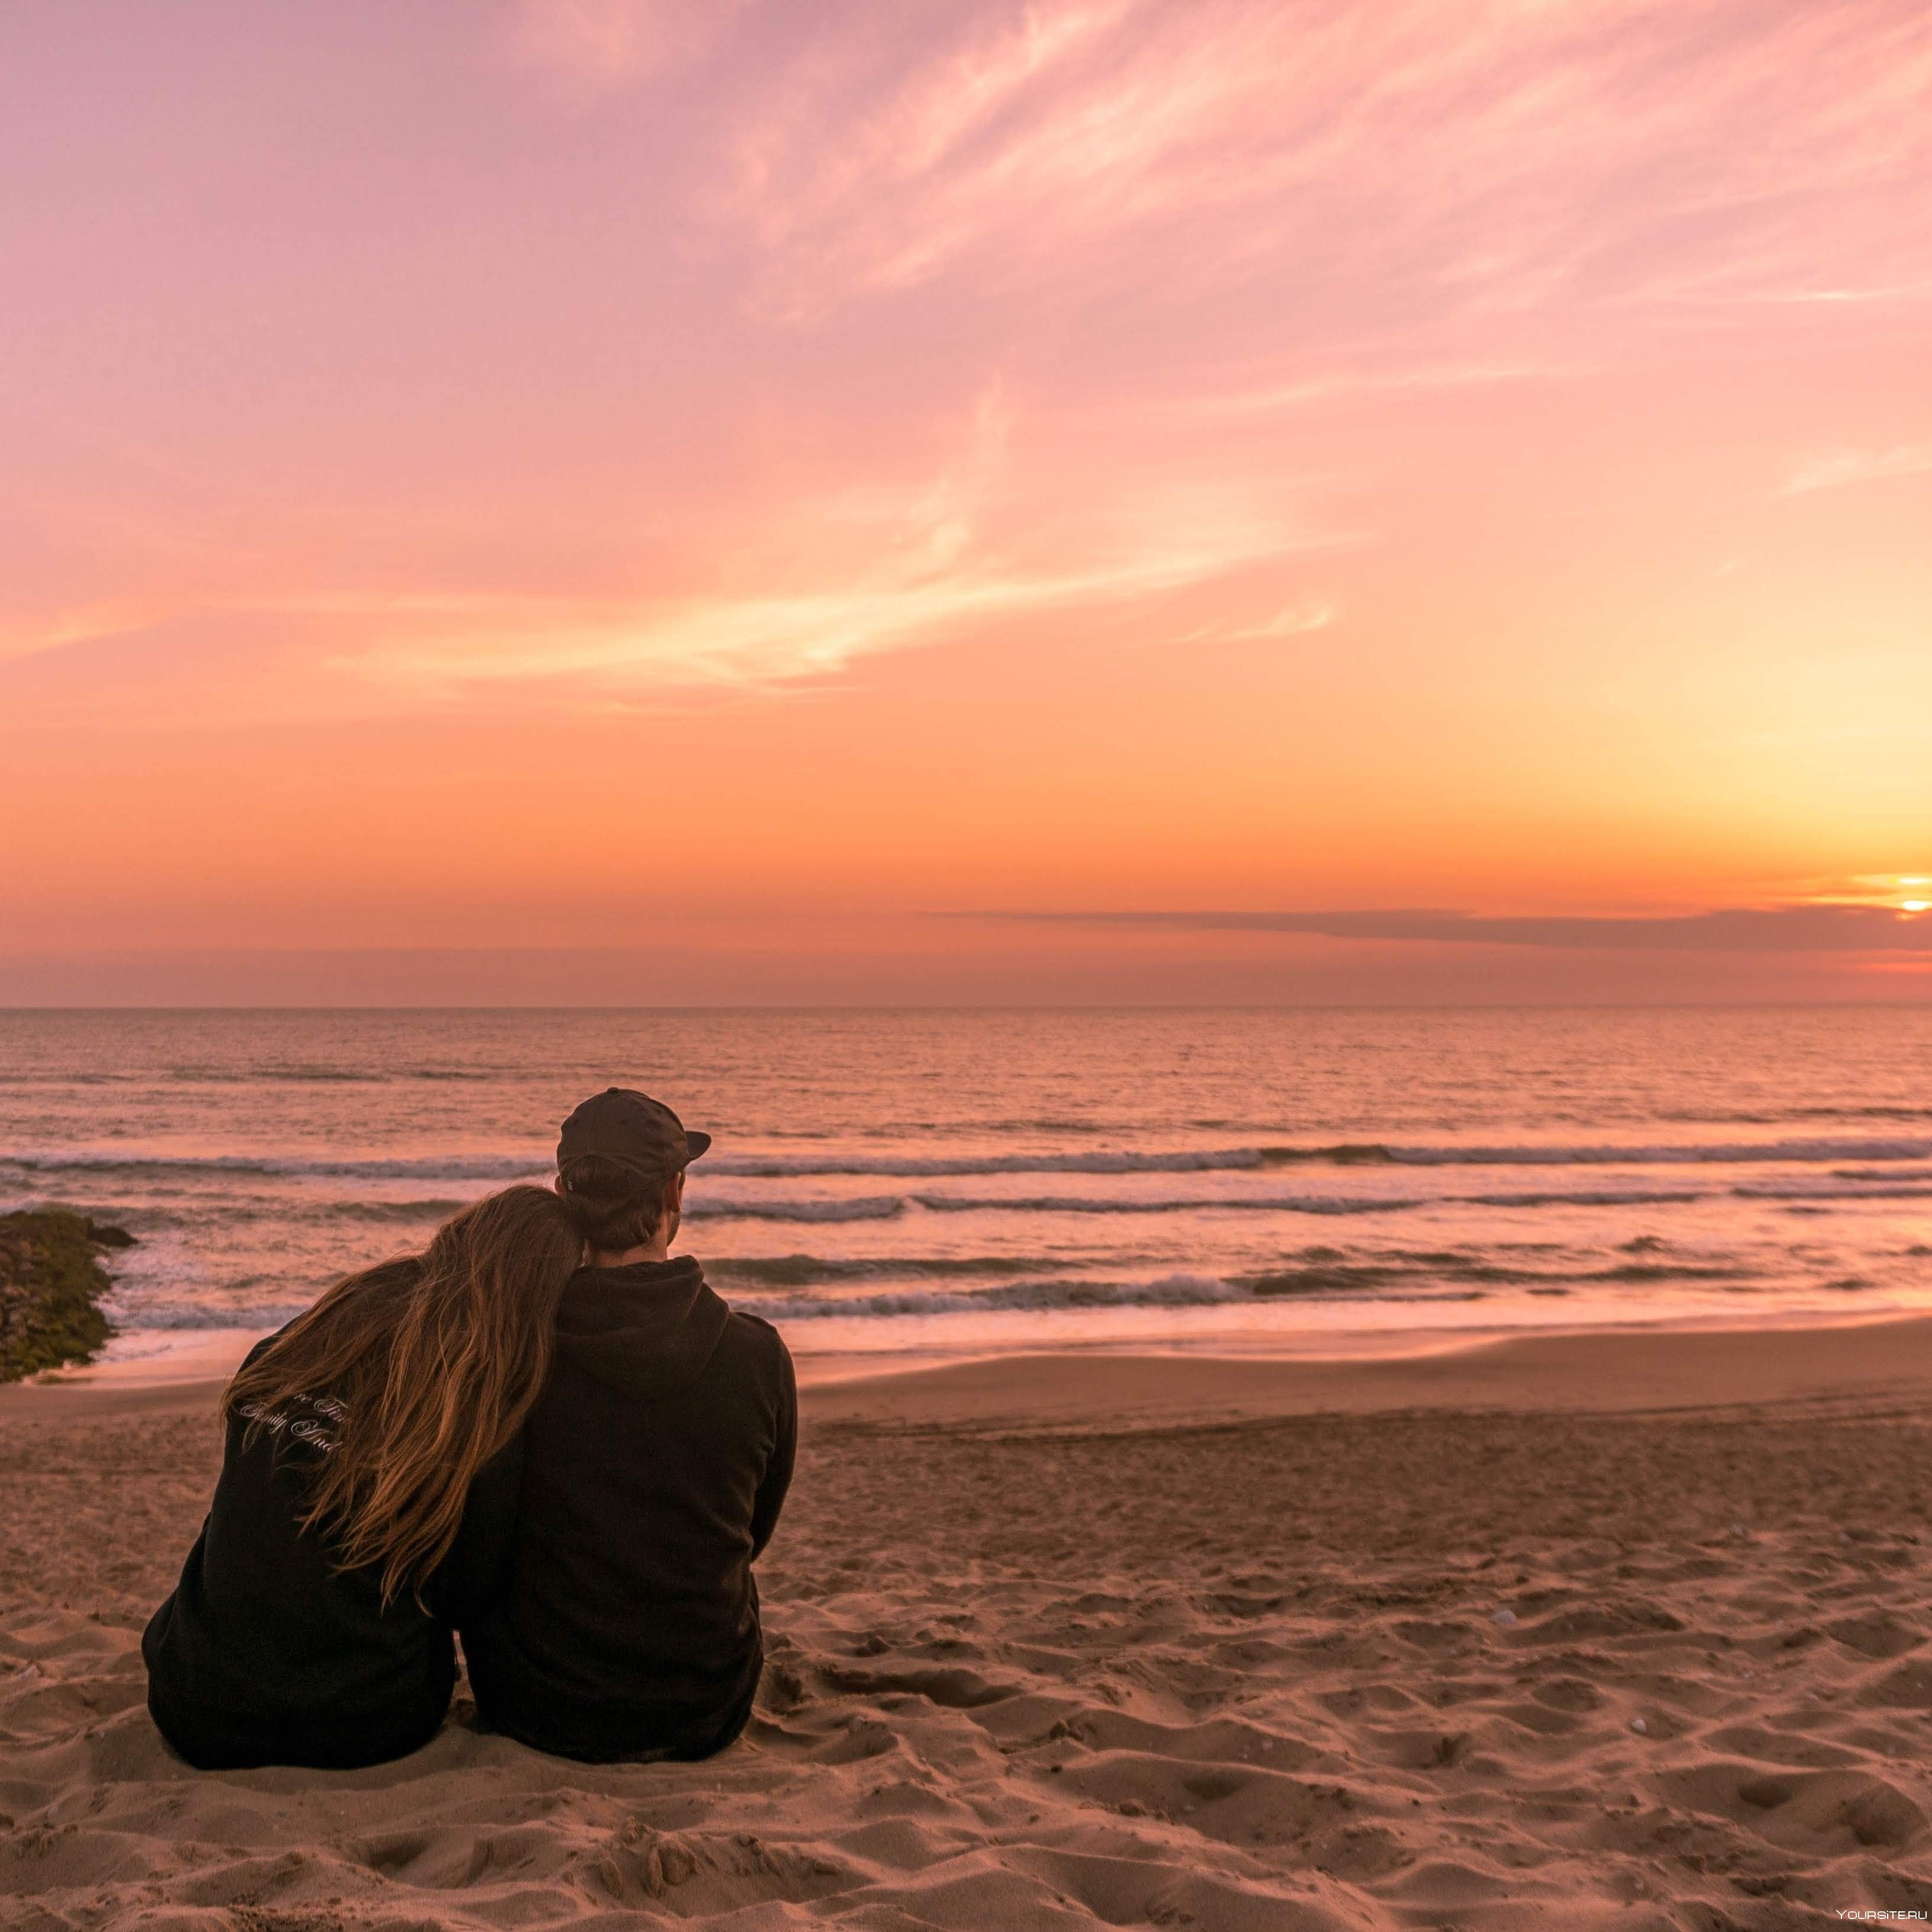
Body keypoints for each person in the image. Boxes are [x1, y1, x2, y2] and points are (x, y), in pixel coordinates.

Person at [143, 1185, 580, 1771]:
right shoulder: (476, 1404)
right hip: (360, 1724)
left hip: (193, 1702)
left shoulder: (305, 1336)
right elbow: (467, 1595)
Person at [459, 1087, 797, 1763]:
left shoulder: (515, 1355)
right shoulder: (756, 1355)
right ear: (675, 1192)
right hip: (705, 1705)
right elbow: (750, 1535)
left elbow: (479, 1558)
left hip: (538, 1707)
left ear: (563, 1193)